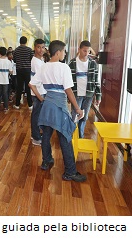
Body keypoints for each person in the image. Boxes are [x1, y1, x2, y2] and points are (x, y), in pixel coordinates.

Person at [29, 40, 87, 182]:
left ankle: (46, 161)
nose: (65, 53)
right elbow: (68, 90)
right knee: (65, 138)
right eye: (64, 51)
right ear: (58, 52)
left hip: (47, 104)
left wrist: (42, 99)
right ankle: (70, 172)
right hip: (59, 105)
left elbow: (31, 84)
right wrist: (78, 108)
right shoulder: (64, 67)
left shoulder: (43, 67)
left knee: (46, 136)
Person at [68, 40, 101, 138]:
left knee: (84, 117)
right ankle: (72, 136)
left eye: (88, 51)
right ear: (79, 50)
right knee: (75, 115)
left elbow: (96, 80)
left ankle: (80, 136)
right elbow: (68, 81)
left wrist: (98, 96)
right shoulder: (72, 63)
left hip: (89, 94)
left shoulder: (93, 64)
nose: (86, 53)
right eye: (84, 51)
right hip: (76, 93)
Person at [30, 39, 46, 146]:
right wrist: (40, 96)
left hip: (41, 91)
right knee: (36, 115)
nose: (41, 50)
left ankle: (35, 134)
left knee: (38, 114)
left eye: (43, 47)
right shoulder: (35, 62)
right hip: (37, 93)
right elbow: (33, 83)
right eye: (39, 47)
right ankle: (35, 137)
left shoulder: (41, 60)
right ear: (35, 48)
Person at [13, 36, 33, 110]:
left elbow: (14, 60)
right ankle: (30, 105)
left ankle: (17, 104)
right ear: (26, 41)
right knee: (28, 87)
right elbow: (32, 59)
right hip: (27, 70)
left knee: (19, 87)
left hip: (19, 70)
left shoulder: (16, 50)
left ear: (19, 41)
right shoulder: (29, 50)